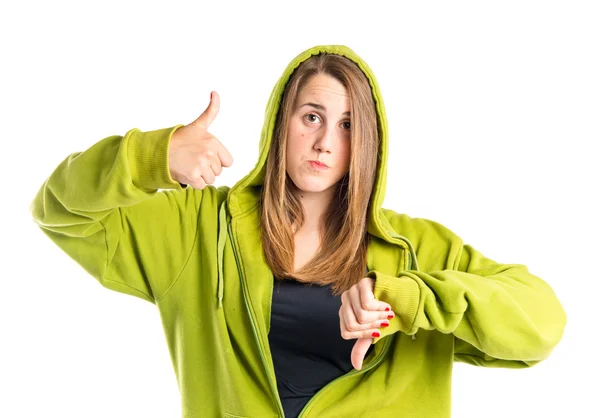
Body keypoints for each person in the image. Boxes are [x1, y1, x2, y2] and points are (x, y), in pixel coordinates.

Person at [30, 44, 567, 418]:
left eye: (348, 125)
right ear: (279, 123)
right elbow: (60, 209)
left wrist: (408, 297)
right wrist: (152, 157)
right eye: (312, 116)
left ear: (368, 144)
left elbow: (541, 324)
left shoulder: (415, 249)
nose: (326, 142)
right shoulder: (198, 228)